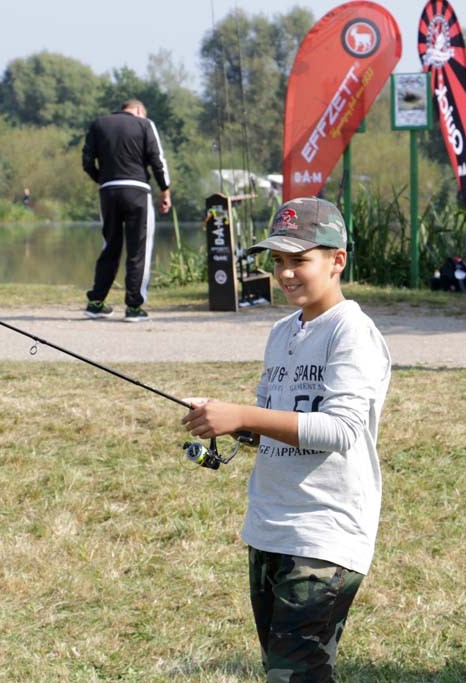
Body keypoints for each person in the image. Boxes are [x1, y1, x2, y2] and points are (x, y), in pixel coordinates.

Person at [181, 197, 391, 682]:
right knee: (286, 671)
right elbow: (277, 420)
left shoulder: (352, 333)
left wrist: (243, 413)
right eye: (278, 261)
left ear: (337, 260)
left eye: (300, 260)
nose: (286, 273)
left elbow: (340, 430)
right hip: (270, 525)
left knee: (292, 675)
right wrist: (231, 422)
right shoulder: (281, 332)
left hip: (323, 532)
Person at [81, 98, 171, 322]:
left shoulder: (98, 124)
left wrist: (102, 180)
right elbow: (157, 159)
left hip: (108, 192)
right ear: (139, 110)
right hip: (137, 191)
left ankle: (95, 303)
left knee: (110, 246)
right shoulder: (145, 124)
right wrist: (165, 190)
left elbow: (86, 161)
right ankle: (133, 307)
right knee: (138, 249)